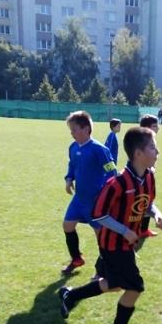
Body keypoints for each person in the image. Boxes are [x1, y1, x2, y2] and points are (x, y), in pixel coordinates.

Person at [59, 126, 162, 324]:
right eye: (153, 147)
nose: (157, 152)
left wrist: (156, 214)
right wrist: (124, 230)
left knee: (115, 285)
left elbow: (147, 204)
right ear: (138, 154)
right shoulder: (117, 183)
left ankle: (71, 296)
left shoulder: (149, 178)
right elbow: (99, 215)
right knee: (135, 287)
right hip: (113, 245)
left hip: (127, 243)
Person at [62, 110, 116, 275]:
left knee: (100, 235)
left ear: (86, 129)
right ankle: (77, 258)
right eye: (70, 130)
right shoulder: (73, 147)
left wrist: (106, 194)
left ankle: (103, 268)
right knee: (67, 225)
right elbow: (72, 165)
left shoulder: (99, 149)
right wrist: (69, 179)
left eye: (75, 129)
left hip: (95, 201)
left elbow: (112, 173)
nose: (72, 133)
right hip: (79, 199)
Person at [139, 114, 160, 238]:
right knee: (141, 201)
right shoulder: (141, 141)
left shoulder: (150, 140)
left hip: (149, 175)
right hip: (142, 176)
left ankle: (144, 230)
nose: (158, 128)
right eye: (155, 126)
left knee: (149, 200)